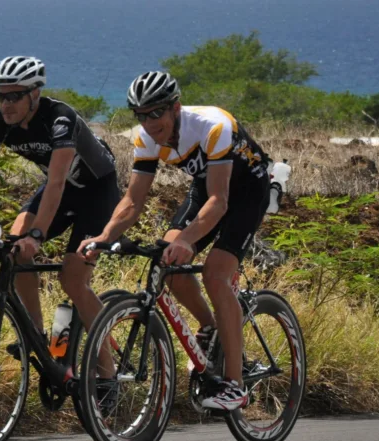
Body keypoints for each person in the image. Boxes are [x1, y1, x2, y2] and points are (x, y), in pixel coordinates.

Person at [79, 71, 271, 411]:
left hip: (247, 191)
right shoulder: (146, 138)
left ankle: (236, 384)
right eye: (141, 114)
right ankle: (212, 329)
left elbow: (221, 201)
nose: (150, 122)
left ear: (175, 108)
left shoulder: (213, 125)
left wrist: (186, 239)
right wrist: (105, 236)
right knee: (170, 261)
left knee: (215, 274)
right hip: (207, 187)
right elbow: (133, 201)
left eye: (156, 113)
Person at [0, 56, 121, 355]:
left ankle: (107, 375)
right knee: (14, 249)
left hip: (98, 192)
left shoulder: (60, 118)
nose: (6, 104)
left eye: (14, 96)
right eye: (0, 96)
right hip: (61, 190)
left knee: (72, 280)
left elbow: (57, 182)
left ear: (35, 93)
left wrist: (37, 236)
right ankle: (36, 336)